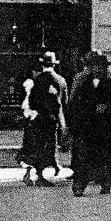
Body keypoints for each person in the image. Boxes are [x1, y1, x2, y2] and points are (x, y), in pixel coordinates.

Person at [68, 52, 111, 196]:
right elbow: (75, 104)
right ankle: (79, 185)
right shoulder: (83, 83)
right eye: (95, 66)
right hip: (87, 127)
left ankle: (106, 184)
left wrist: (107, 107)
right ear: (91, 68)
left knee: (104, 156)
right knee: (83, 157)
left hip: (104, 128)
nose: (98, 69)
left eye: (101, 67)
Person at [19, 53, 68, 186]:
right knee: (49, 145)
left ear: (42, 65)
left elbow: (32, 100)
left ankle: (38, 174)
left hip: (39, 119)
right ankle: (44, 173)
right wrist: (63, 122)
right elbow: (65, 103)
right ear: (54, 64)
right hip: (53, 120)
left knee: (37, 145)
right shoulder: (61, 81)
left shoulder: (38, 80)